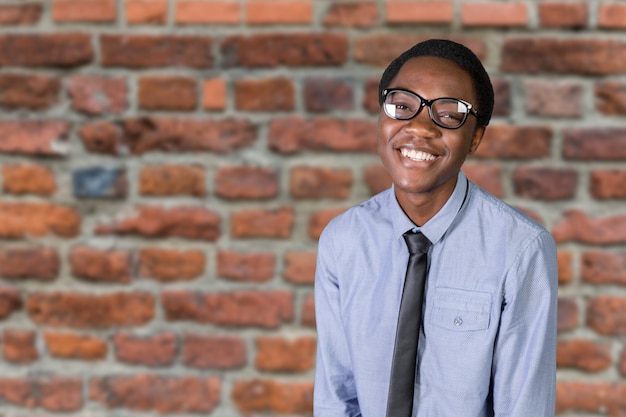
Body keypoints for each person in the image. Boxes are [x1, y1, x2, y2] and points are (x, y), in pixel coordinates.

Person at [313, 39, 558, 417]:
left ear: (475, 137)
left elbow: (523, 408)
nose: (420, 127)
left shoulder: (520, 249)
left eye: (449, 113)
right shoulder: (343, 241)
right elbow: (336, 398)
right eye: (403, 105)